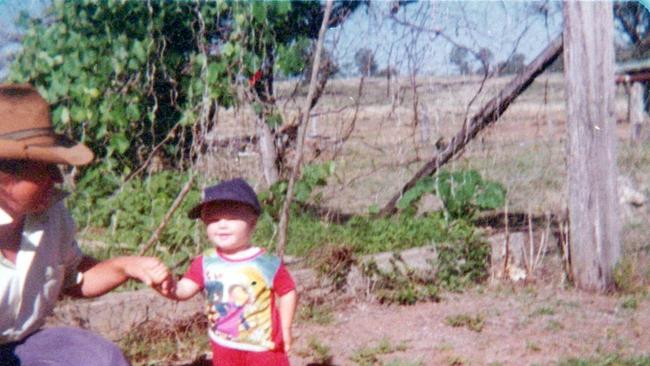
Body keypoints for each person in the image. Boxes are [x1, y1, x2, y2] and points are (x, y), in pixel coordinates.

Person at [0, 83, 172, 365]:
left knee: (100, 358)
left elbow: (74, 279)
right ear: (5, 175)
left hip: (23, 343)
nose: (56, 179)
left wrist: (126, 266)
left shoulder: (52, 217)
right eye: (45, 168)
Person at [161, 178, 298, 366]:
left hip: (263, 347)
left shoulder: (267, 263)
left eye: (232, 218)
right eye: (213, 220)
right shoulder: (205, 261)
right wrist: (166, 285)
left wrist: (286, 326)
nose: (222, 225)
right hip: (223, 344)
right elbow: (184, 289)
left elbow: (288, 291)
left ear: (253, 222)